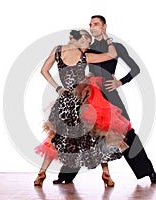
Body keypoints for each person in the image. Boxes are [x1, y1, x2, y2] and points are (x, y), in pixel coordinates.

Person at [53, 15, 156, 185]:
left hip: (110, 94)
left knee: (126, 132)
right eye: (90, 24)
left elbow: (135, 68)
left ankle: (149, 172)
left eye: (96, 24)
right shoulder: (86, 48)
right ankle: (65, 176)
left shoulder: (116, 47)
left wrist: (119, 82)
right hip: (91, 93)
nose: (92, 27)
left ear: (104, 26)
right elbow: (71, 63)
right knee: (79, 132)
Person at [34, 30, 132, 187]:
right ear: (82, 40)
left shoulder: (57, 50)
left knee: (55, 137)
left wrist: (58, 88)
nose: (89, 46)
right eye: (88, 42)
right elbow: (112, 54)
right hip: (84, 101)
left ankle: (41, 173)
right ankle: (106, 174)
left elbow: (43, 71)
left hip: (65, 101)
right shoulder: (84, 55)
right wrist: (107, 39)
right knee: (97, 134)